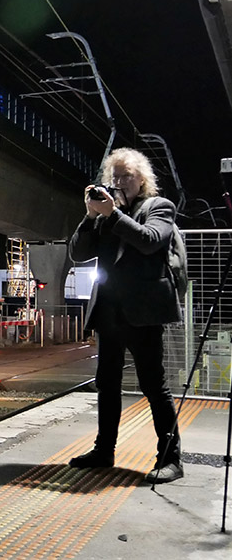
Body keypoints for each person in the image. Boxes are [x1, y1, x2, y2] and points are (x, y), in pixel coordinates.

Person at [68, 148, 183, 483]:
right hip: (109, 312)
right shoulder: (105, 215)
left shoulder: (158, 207)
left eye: (126, 176)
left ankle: (171, 458)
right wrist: (91, 216)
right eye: (114, 177)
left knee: (153, 385)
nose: (119, 182)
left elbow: (150, 241)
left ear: (141, 179)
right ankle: (104, 451)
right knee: (108, 384)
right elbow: (77, 253)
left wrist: (113, 214)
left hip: (144, 313)